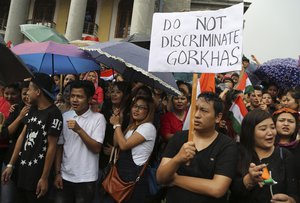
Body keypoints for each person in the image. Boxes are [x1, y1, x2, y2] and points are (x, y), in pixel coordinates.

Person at [156, 92, 238, 203]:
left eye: (204, 111)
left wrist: (175, 179)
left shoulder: (227, 145)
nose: (197, 115)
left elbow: (217, 188)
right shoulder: (179, 137)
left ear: (218, 117)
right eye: (195, 109)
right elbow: (161, 178)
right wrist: (177, 159)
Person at [1, 73, 63, 203]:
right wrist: (11, 164)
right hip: (22, 171)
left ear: (38, 92)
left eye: (29, 89)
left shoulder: (54, 114)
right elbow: (22, 136)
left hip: (38, 175)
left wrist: (45, 177)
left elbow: (53, 147)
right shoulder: (33, 109)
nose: (27, 93)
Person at [230, 109, 299, 203]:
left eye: (272, 127)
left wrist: (290, 200)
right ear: (249, 131)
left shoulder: (285, 155)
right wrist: (249, 180)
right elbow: (230, 191)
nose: (270, 133)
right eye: (263, 129)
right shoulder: (236, 153)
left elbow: (295, 193)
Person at [54, 80, 106, 203]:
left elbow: (96, 148)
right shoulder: (65, 116)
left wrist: (79, 130)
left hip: (86, 178)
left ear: (89, 99)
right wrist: (57, 173)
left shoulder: (98, 118)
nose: (75, 100)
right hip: (65, 175)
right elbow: (59, 147)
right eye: (72, 96)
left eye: (79, 96)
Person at [108, 96, 157, 202]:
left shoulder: (148, 127)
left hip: (134, 179)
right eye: (135, 106)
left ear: (148, 111)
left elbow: (124, 146)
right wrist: (119, 122)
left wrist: (116, 125)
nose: (136, 110)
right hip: (121, 176)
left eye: (141, 107)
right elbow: (116, 143)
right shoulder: (131, 126)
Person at [0, 81, 30, 203]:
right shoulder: (17, 109)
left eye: (30, 93)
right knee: (7, 197)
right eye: (24, 93)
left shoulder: (44, 110)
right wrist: (19, 117)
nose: (27, 96)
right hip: (11, 159)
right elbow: (5, 134)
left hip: (30, 162)